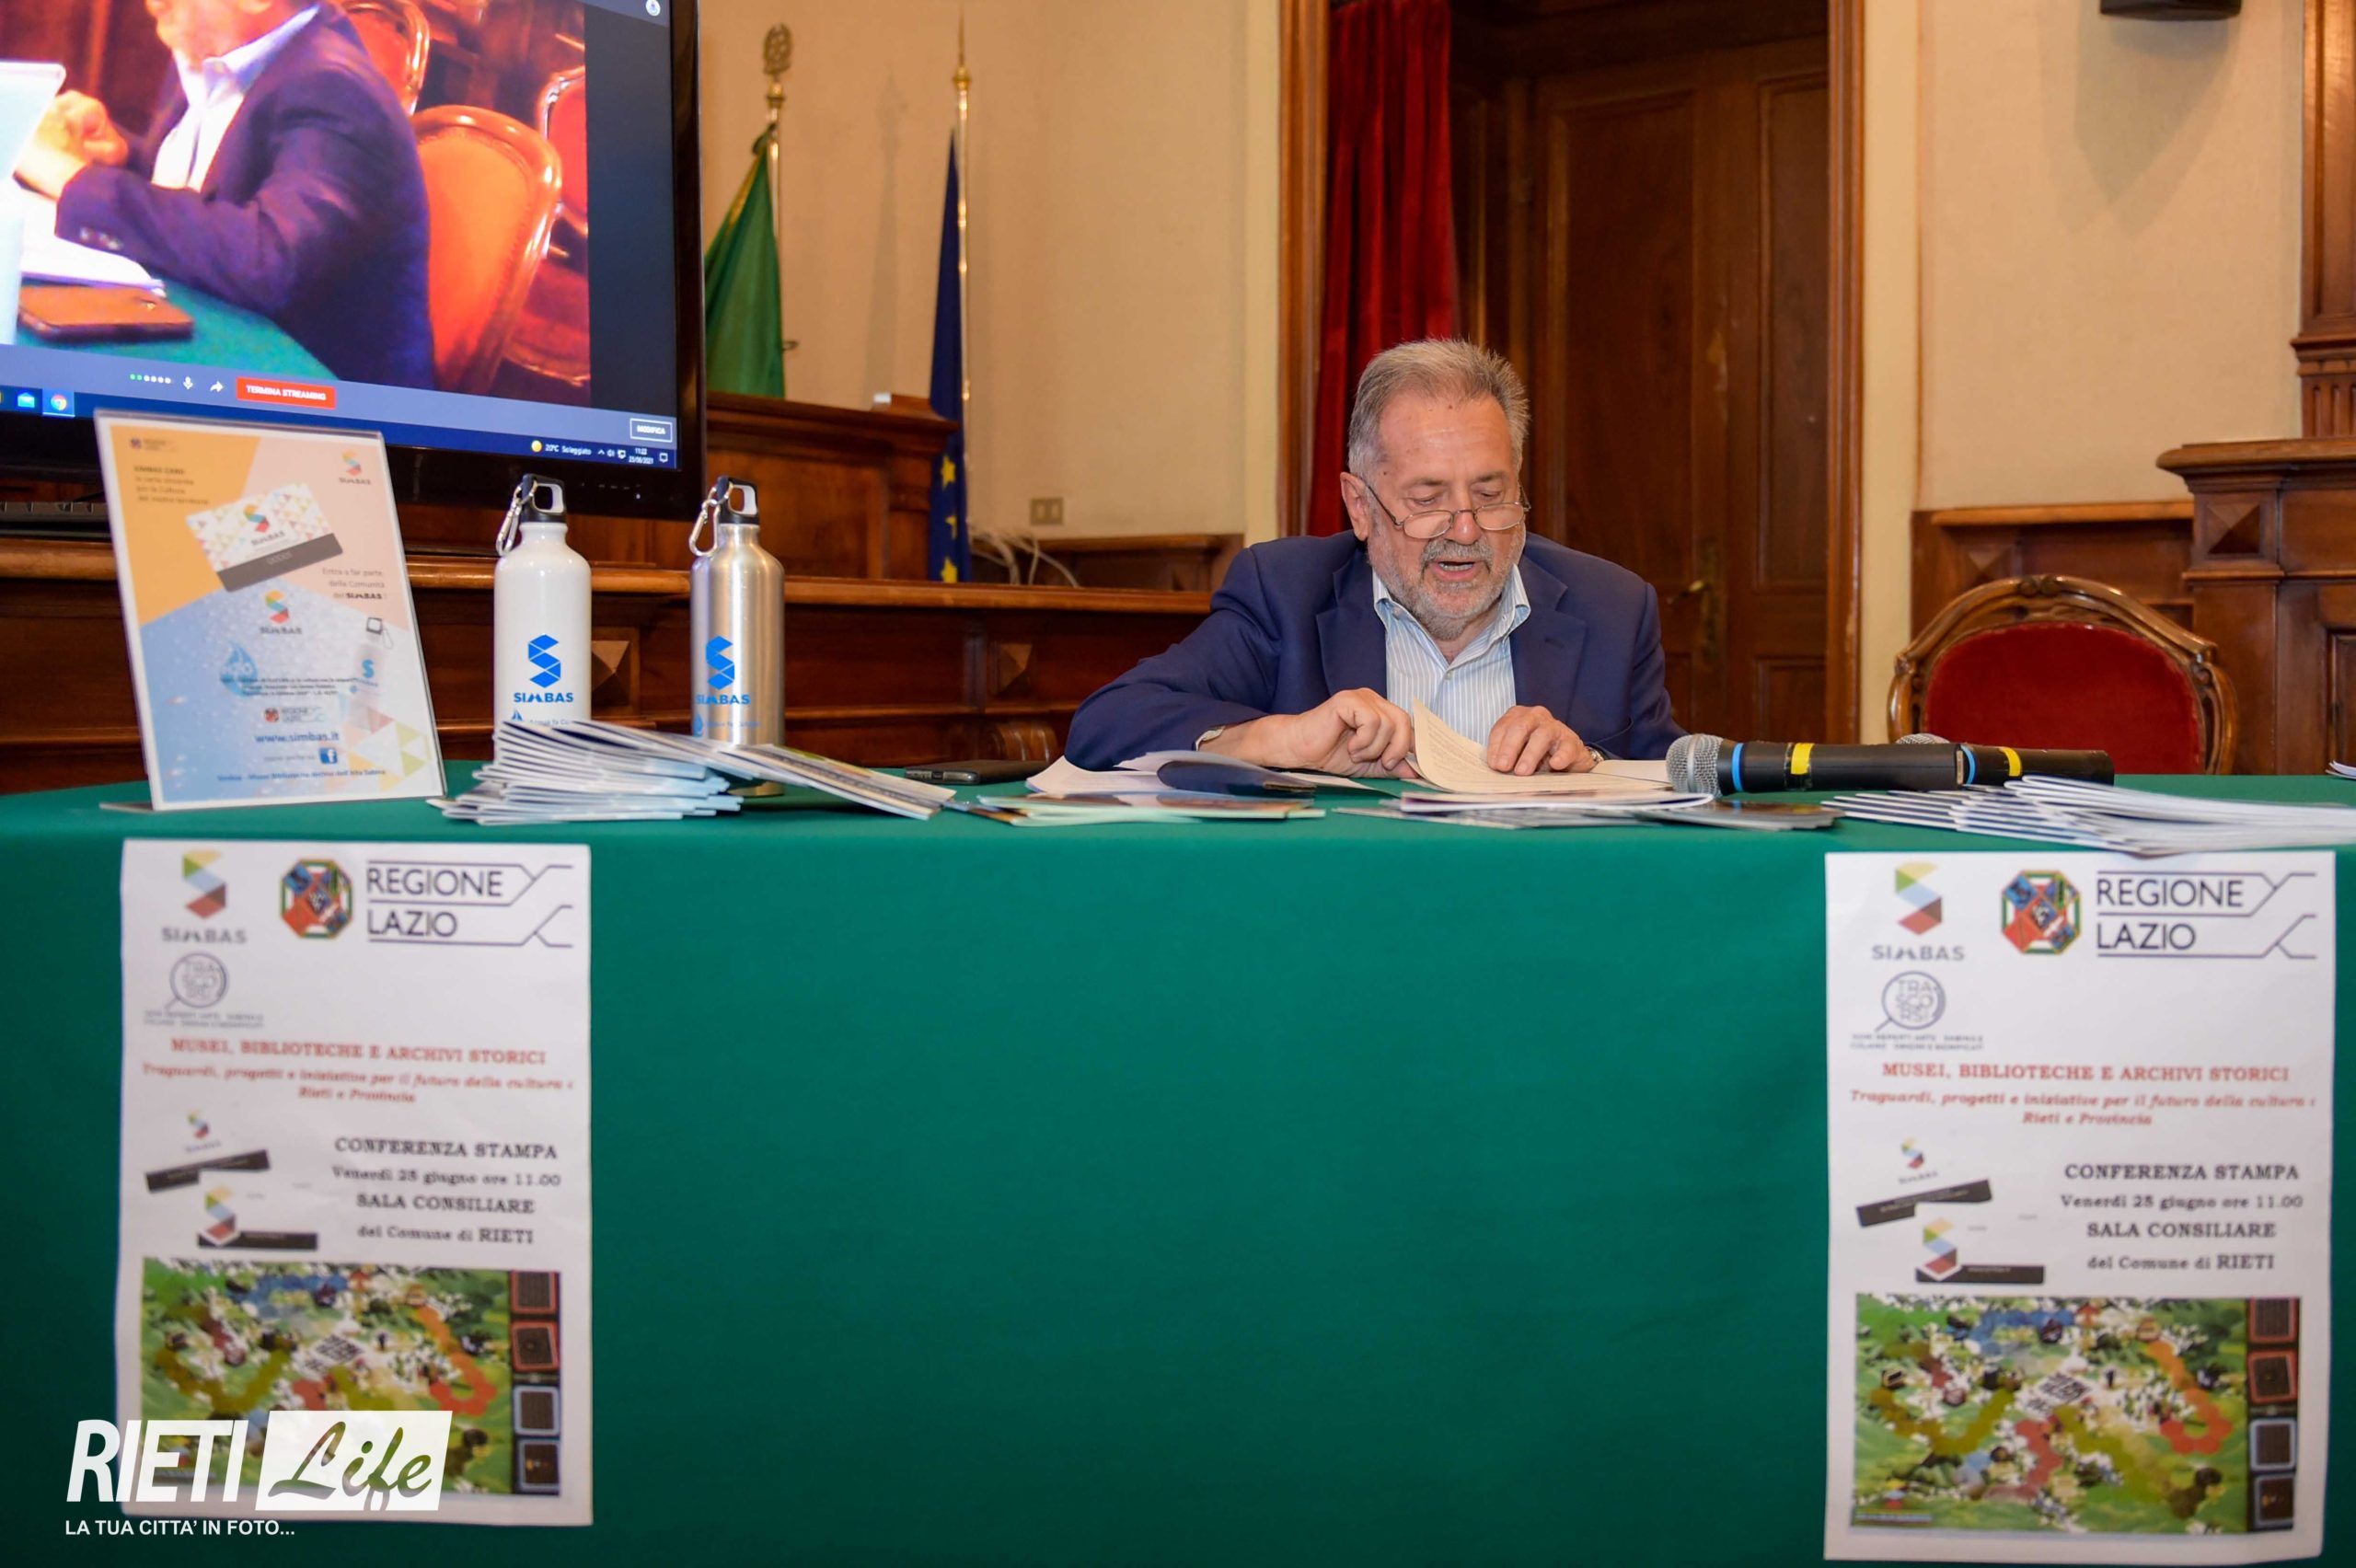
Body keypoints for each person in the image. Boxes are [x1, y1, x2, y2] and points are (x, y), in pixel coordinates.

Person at [1066, 338, 1683, 774]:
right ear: (1359, 506)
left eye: (1490, 494)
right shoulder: (1286, 593)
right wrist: (1281, 740)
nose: (1465, 530)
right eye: (1427, 499)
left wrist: (1592, 765)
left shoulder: (1611, 608)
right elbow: (1108, 723)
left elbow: (1676, 778)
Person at [13, 1, 434, 389]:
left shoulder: (338, 91)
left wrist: (68, 176)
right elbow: (212, 198)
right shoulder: (216, 50)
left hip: (324, 409)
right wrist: (120, 157)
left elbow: (268, 261)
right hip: (219, 350)